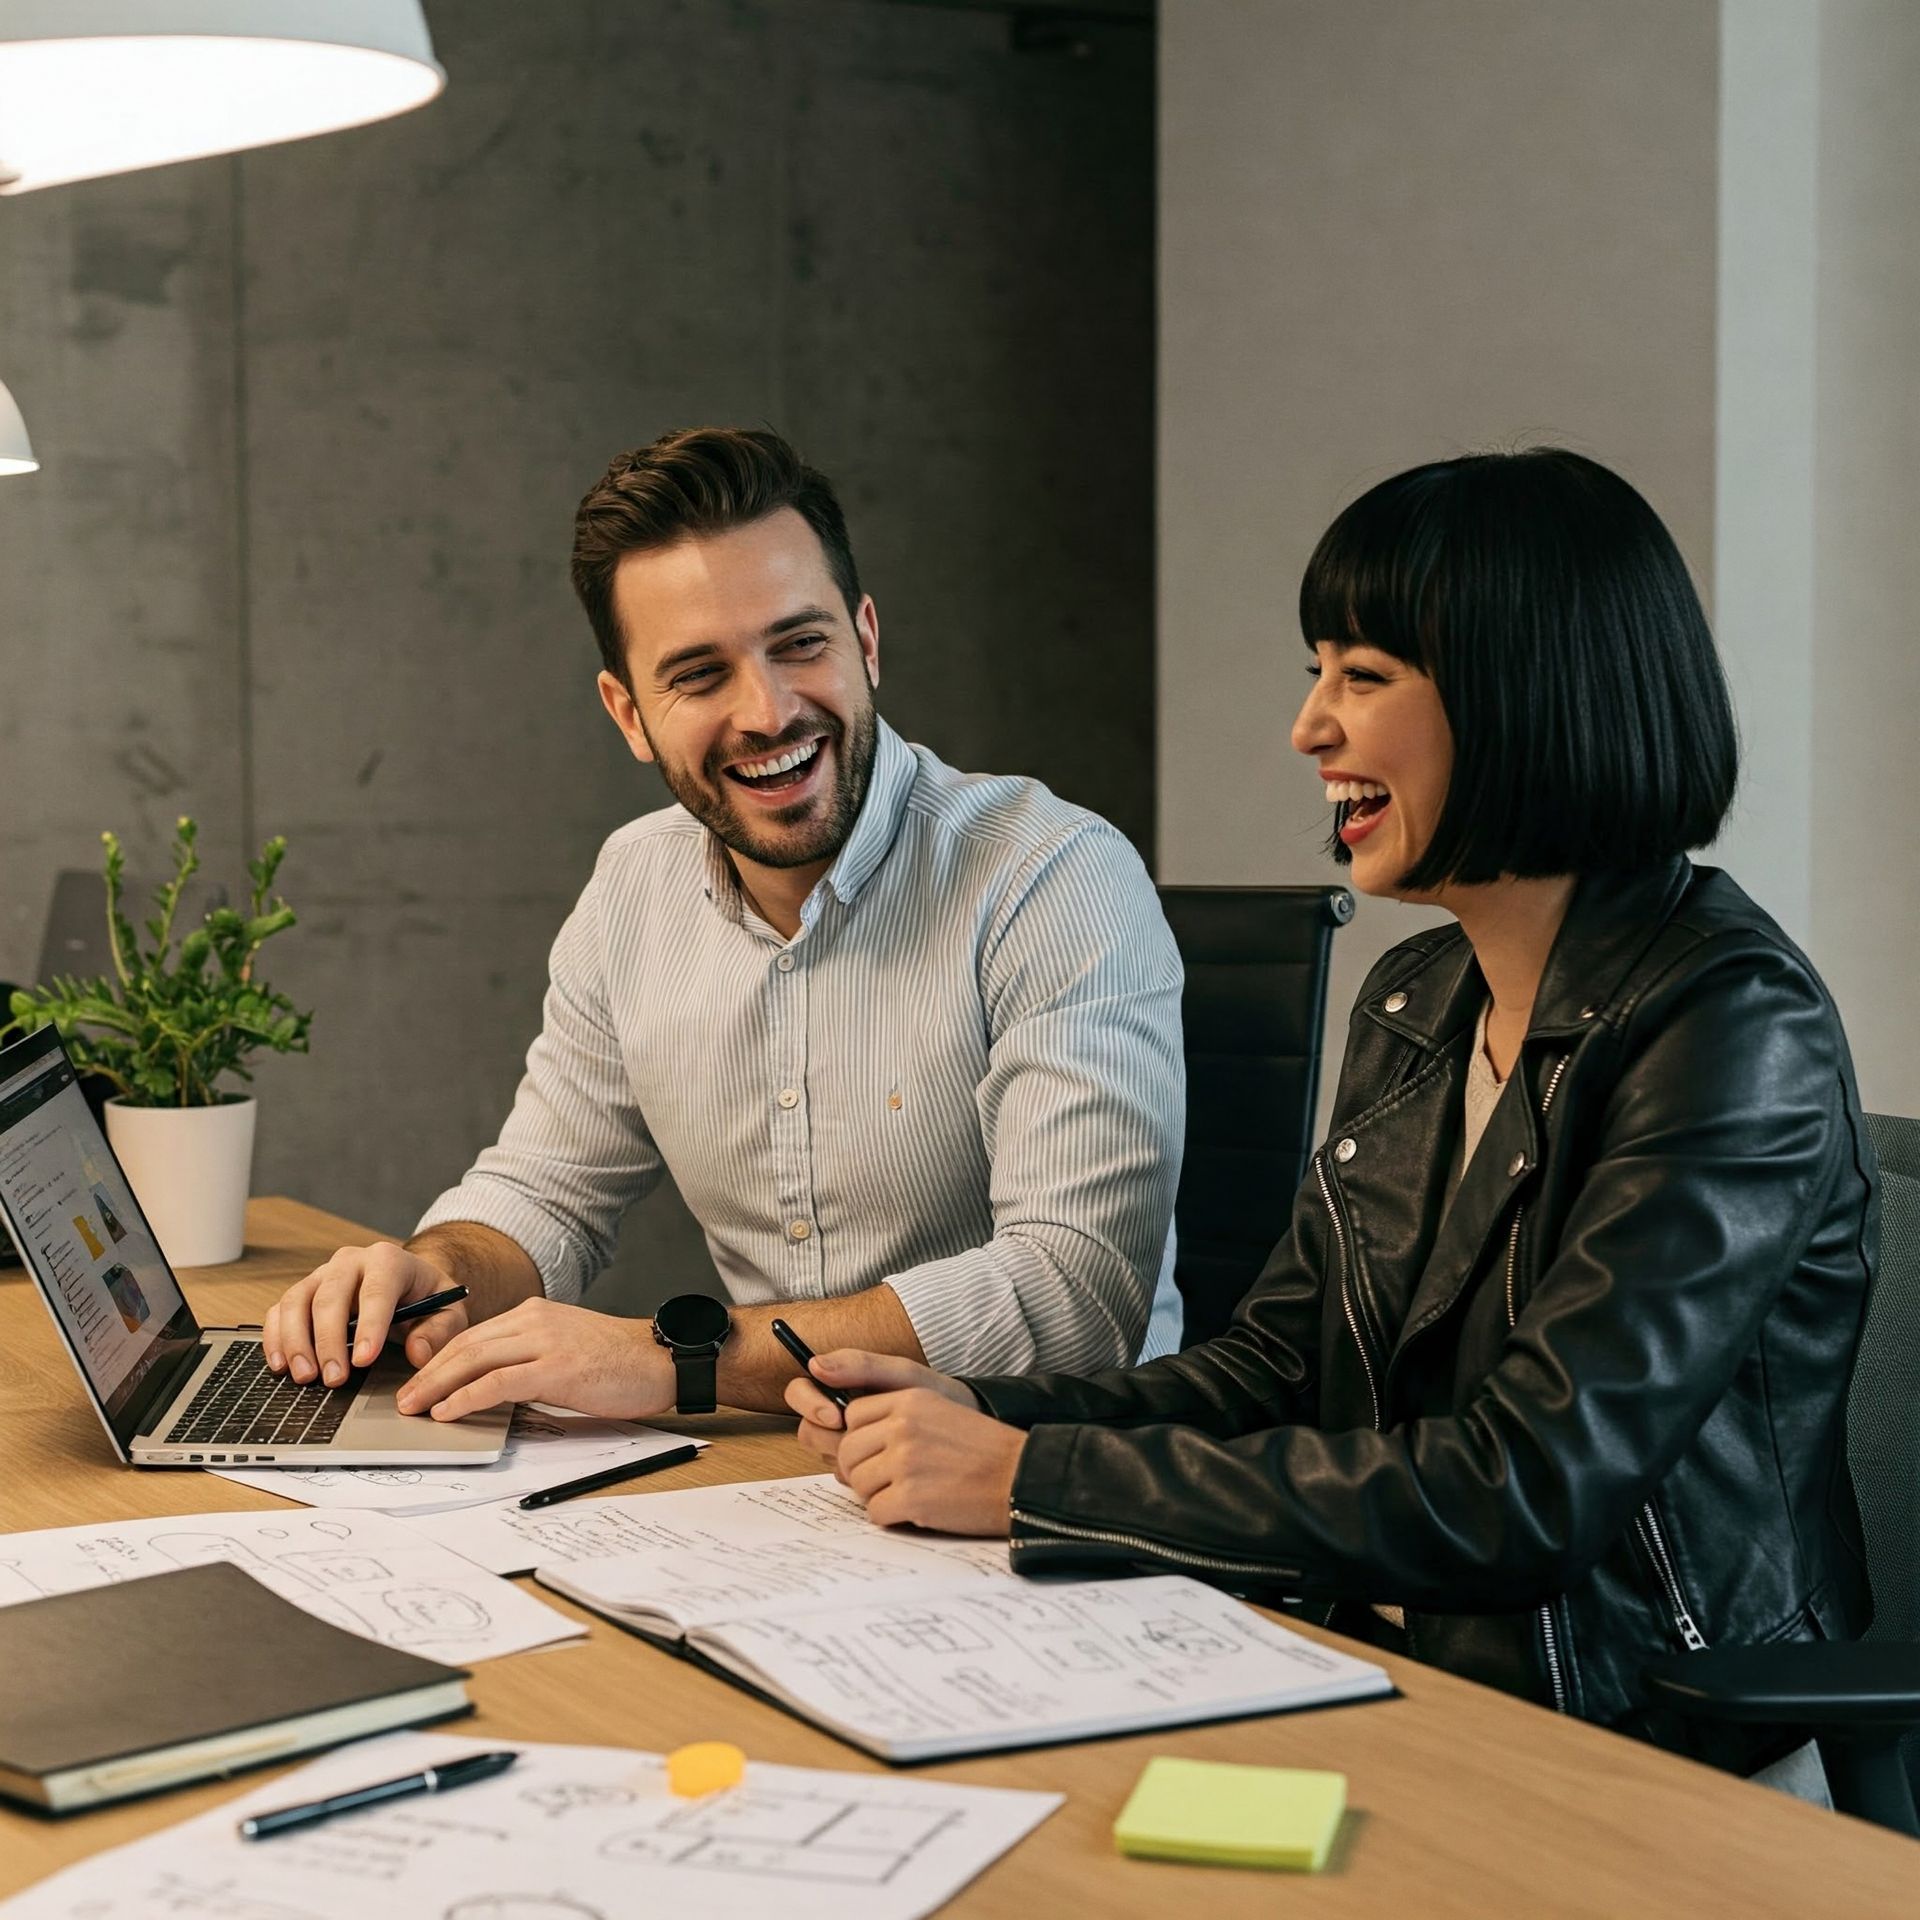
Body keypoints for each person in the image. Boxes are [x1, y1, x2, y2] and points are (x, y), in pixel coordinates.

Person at [785, 447, 1877, 1779]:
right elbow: (1274, 1373)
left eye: (1361, 677)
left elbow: (1521, 1492)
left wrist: (1028, 1482)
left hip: (1647, 1749)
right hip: (1405, 1687)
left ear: (1522, 694)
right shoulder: (1423, 1000)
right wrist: (984, 1408)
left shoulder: (1730, 1030)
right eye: (1319, 674)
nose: (1311, 727)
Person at [262, 427, 1184, 1420]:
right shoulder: (633, 889)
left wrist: (680, 1359)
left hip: (1042, 1485)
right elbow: (548, 1191)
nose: (768, 710)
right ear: (629, 714)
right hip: (778, 1482)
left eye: (800, 644)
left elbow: (1078, 1295)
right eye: (700, 675)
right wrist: (429, 1273)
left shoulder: (1051, 875)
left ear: (866, 640)